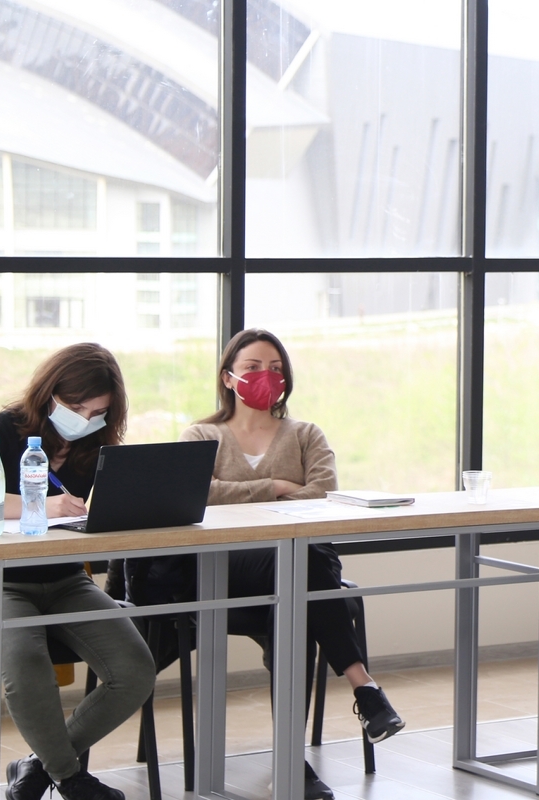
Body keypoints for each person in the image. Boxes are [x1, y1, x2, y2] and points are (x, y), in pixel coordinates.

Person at [123, 329, 403, 800]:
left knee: (297, 591)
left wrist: (248, 494)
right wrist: (275, 486)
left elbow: (324, 496)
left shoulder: (306, 434)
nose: (265, 377)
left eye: (275, 369)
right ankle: (363, 689)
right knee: (304, 574)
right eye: (252, 368)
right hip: (222, 571)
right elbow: (199, 493)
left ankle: (292, 759)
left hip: (298, 568)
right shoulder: (202, 435)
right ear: (228, 378)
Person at [0, 343, 155, 800]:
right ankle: (71, 779)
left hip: (65, 578)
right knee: (26, 666)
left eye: (98, 412)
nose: (86, 419)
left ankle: (37, 768)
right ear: (51, 393)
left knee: (134, 670)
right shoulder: (9, 428)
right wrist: (40, 505)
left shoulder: (96, 443)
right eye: (77, 408)